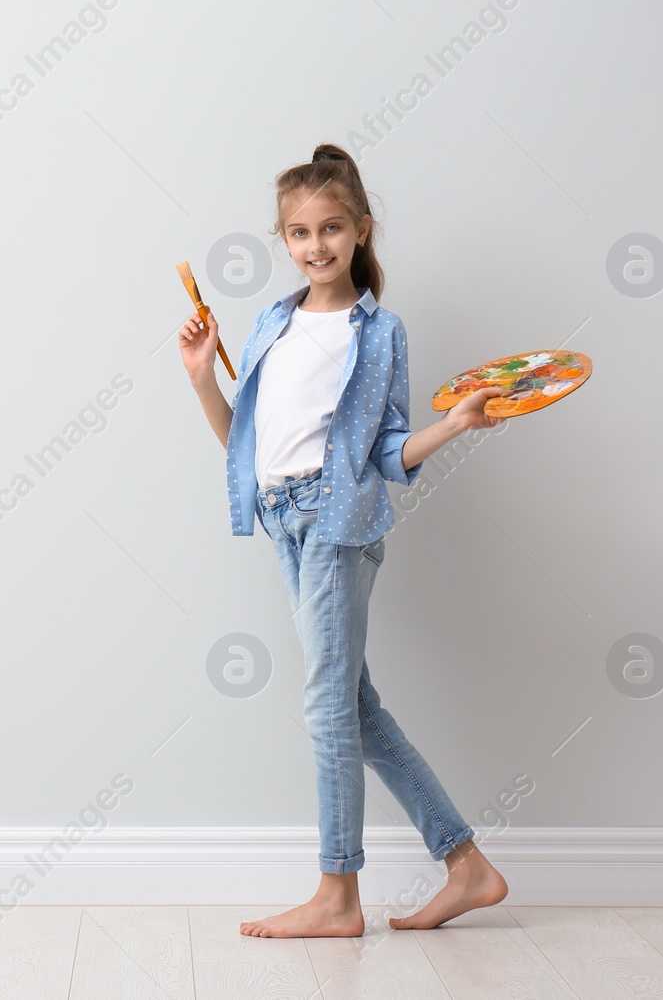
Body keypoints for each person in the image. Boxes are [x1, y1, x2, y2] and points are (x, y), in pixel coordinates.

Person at [178, 143, 511, 938]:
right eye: (298, 232)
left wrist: (454, 424)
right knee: (354, 707)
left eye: (331, 228)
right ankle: (467, 866)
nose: (315, 245)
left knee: (328, 707)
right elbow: (245, 446)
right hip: (283, 521)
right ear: (283, 240)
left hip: (338, 524)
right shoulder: (271, 325)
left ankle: (337, 895)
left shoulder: (379, 333)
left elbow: (389, 452)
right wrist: (201, 378)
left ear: (361, 231)